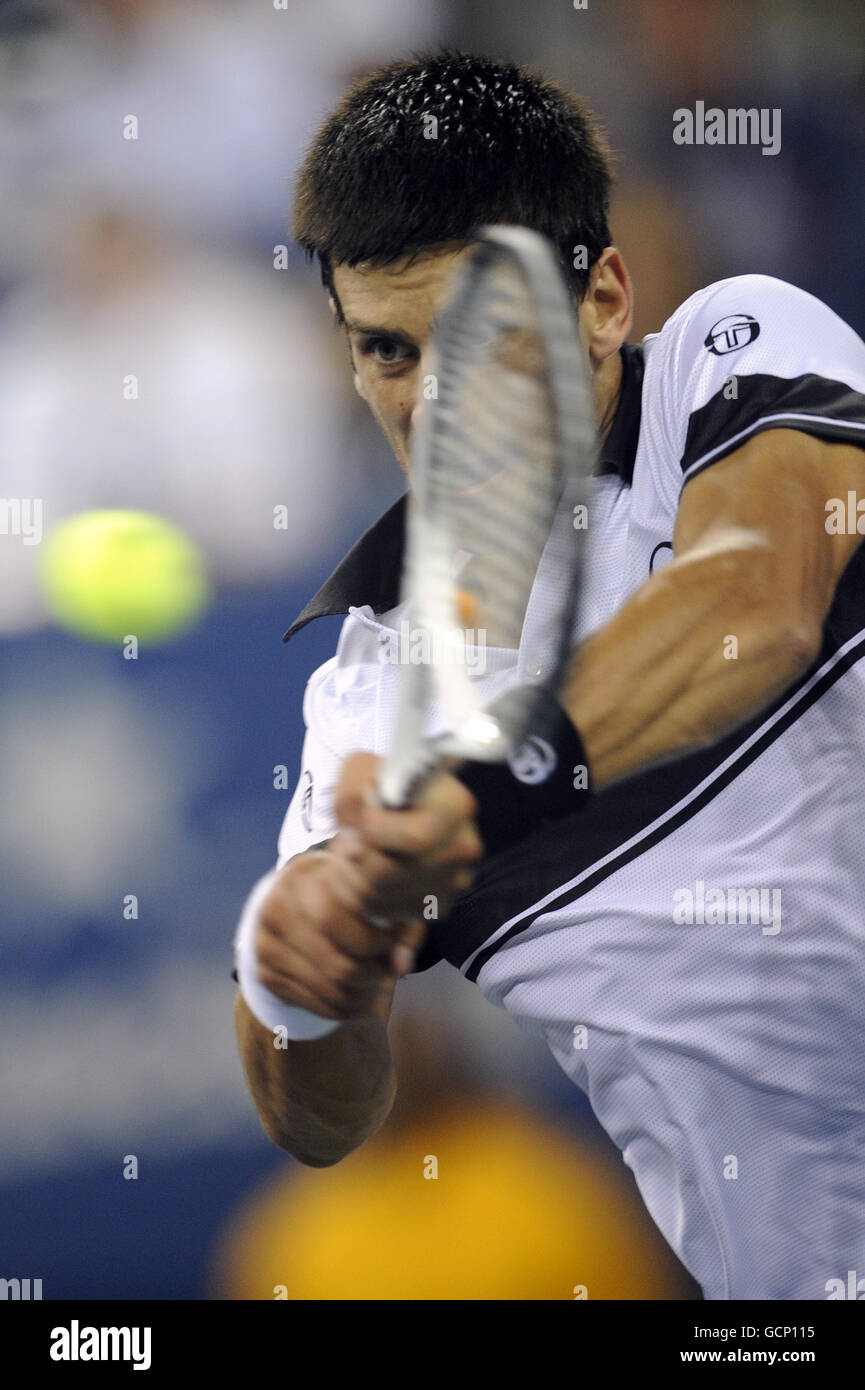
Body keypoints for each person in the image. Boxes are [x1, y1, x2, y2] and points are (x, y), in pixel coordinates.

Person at [233, 52, 865, 1301]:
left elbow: (758, 596)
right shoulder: (366, 699)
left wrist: (475, 797)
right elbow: (321, 1120)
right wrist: (301, 983)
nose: (430, 406)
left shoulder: (733, 357)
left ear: (607, 298)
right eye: (389, 352)